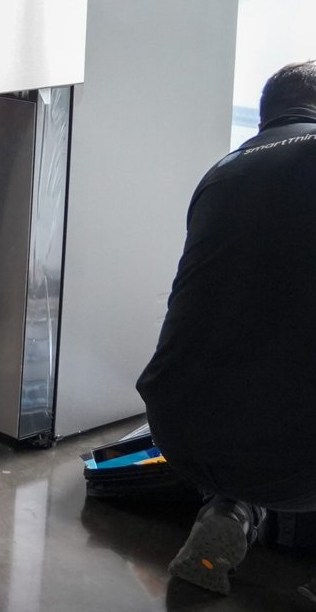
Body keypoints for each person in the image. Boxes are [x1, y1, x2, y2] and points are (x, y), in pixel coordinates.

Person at [137, 61, 316, 601]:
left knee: (256, 370)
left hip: (178, 432)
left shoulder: (223, 171)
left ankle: (230, 511)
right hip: (296, 456)